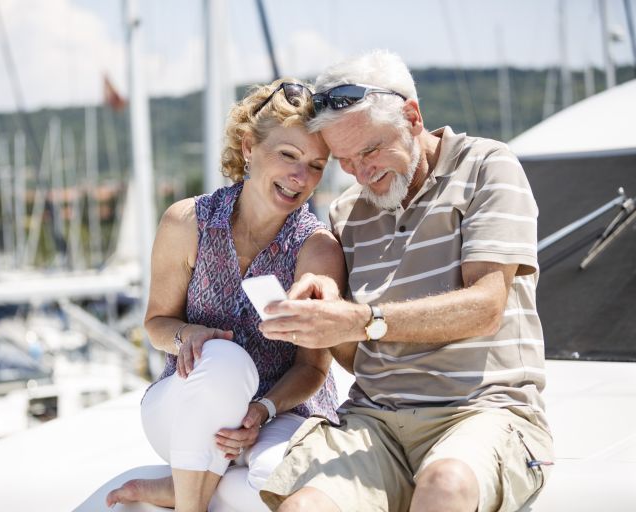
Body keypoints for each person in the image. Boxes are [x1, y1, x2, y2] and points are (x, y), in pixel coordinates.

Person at [257, 50, 554, 512]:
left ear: (412, 116)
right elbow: (357, 356)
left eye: (371, 150)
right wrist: (323, 321)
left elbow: (486, 307)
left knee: (447, 484)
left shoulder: (486, 167)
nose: (361, 172)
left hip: (482, 411)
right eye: (345, 160)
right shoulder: (346, 214)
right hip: (376, 421)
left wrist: (364, 319)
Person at [105, 78, 344, 512]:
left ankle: (179, 490)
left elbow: (313, 368)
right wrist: (187, 336)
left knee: (279, 483)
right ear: (248, 146)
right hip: (187, 407)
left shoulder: (317, 248)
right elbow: (157, 324)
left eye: (315, 165)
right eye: (288, 155)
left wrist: (263, 411)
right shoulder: (187, 222)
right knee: (222, 358)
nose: (300, 177)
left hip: (279, 413)